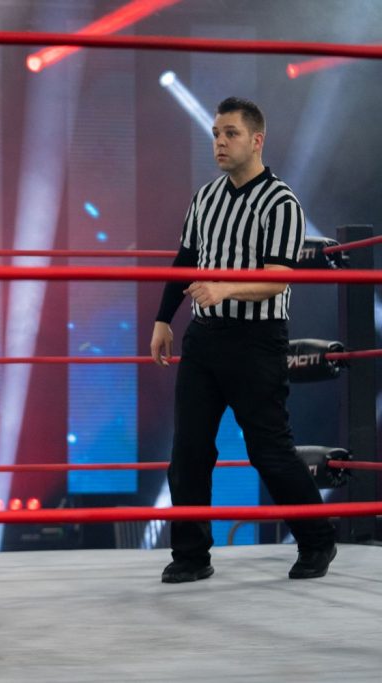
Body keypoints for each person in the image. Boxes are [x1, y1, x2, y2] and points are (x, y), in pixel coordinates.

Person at [150, 96, 336, 583]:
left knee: (268, 450)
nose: (219, 142)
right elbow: (185, 259)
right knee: (189, 450)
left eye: (230, 133)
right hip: (204, 338)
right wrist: (163, 319)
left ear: (256, 140)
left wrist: (224, 287)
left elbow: (279, 277)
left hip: (256, 340)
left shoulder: (281, 202)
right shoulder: (205, 198)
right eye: (216, 133)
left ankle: (318, 539)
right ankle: (191, 555)